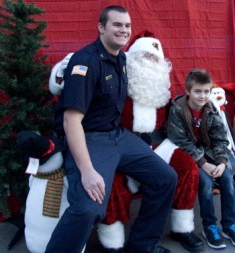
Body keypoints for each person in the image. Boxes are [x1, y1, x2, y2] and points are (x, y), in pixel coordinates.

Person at [49, 32, 204, 253]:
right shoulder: (109, 65)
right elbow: (68, 99)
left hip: (154, 142)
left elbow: (181, 113)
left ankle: (148, 244)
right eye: (144, 56)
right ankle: (113, 244)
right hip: (109, 138)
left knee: (174, 174)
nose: (149, 63)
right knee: (95, 198)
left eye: (154, 58)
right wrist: (65, 70)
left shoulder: (161, 86)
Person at [167, 68, 235, 249]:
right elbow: (180, 141)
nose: (202, 96)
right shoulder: (177, 111)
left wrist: (221, 162)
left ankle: (229, 225)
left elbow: (221, 138)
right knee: (205, 183)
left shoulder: (211, 109)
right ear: (188, 91)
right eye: (198, 91)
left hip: (212, 153)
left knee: (227, 179)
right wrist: (203, 164)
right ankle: (210, 226)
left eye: (206, 91)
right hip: (191, 156)